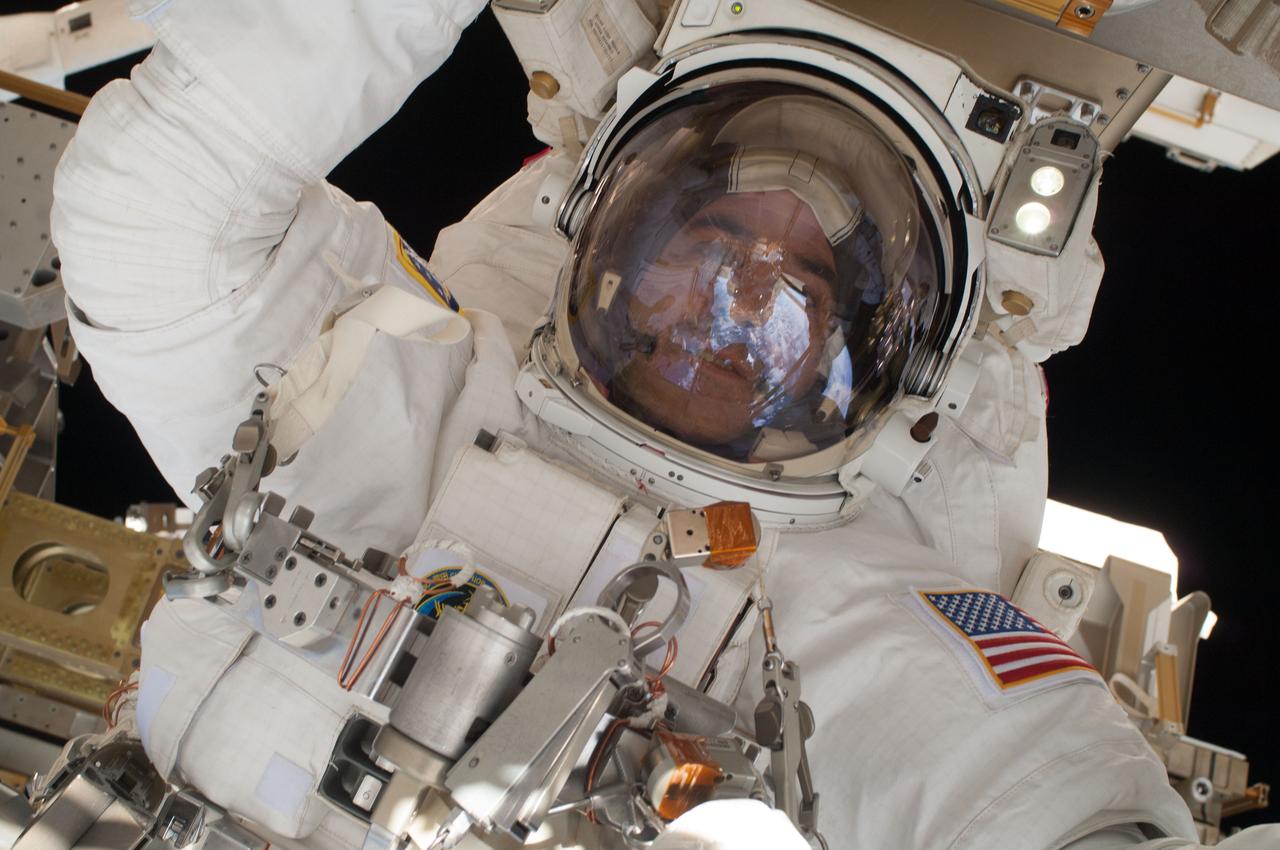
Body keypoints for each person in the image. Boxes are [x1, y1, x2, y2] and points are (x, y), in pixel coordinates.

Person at [46, 1, 1277, 848]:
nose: (739, 309)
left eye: (806, 295)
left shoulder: (859, 613)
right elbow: (150, 209)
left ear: (882, 375)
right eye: (711, 243)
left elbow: (1041, 791)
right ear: (611, 246)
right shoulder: (390, 386)